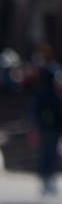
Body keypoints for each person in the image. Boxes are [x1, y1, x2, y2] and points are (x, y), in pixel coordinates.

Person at [30, 47, 62, 196]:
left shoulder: (42, 92)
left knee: (49, 152)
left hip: (49, 126)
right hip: (49, 125)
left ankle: (48, 179)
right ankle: (47, 179)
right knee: (48, 152)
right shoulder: (48, 94)